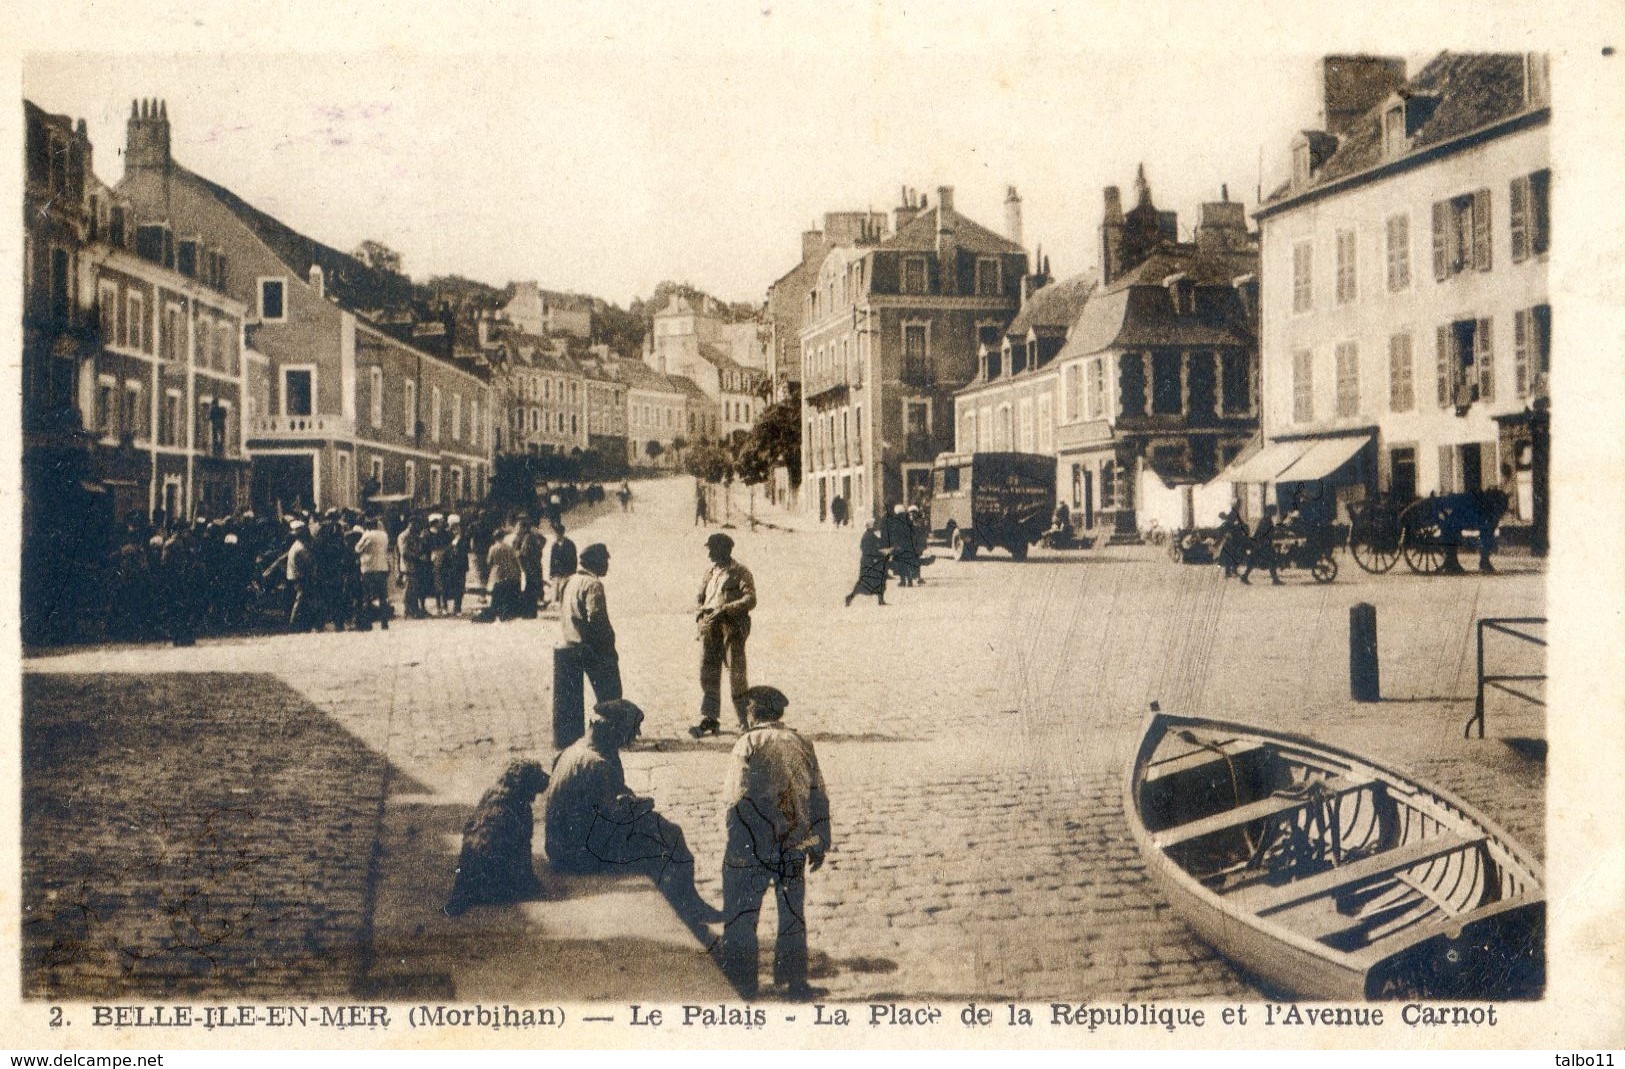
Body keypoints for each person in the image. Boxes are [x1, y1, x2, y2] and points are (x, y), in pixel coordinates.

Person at [543, 699, 715, 925]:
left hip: (562, 846)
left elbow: (608, 798)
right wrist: (641, 806)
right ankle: (688, 912)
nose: (636, 736)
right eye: (632, 730)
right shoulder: (598, 764)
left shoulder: (575, 750)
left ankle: (688, 908)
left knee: (657, 828)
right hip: (577, 855)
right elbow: (614, 817)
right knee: (669, 837)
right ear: (615, 730)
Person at [719, 686, 831, 1001]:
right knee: (792, 911)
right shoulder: (801, 742)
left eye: (748, 708)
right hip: (793, 843)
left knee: (742, 913)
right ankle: (795, 983)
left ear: (754, 712)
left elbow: (735, 799)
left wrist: (734, 846)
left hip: (753, 843)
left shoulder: (747, 743)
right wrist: (821, 839)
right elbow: (818, 792)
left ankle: (742, 985)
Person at [689, 533, 757, 738]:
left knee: (736, 674)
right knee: (707, 673)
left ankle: (745, 721)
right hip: (709, 627)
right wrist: (701, 615)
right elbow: (700, 598)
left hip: (731, 627)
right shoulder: (709, 573)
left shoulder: (740, 572)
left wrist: (726, 609)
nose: (709, 552)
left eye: (712, 549)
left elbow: (751, 599)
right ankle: (709, 717)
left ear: (725, 550)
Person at [561, 542, 623, 702]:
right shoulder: (593, 585)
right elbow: (596, 619)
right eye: (604, 561)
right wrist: (607, 650)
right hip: (594, 651)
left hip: (572, 647)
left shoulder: (570, 581)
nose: (607, 565)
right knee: (611, 698)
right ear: (596, 562)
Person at [474, 517, 524, 622]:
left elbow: (489, 561)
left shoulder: (493, 548)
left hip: (497, 574)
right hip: (509, 572)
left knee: (497, 595)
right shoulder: (509, 547)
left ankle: (497, 612)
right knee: (506, 594)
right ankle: (506, 613)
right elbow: (514, 559)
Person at [355, 516, 392, 630]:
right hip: (382, 566)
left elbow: (357, 548)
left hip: (369, 567)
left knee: (367, 596)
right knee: (383, 597)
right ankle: (384, 622)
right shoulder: (384, 535)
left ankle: (367, 623)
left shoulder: (367, 535)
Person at [844, 518, 890, 607]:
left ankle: (880, 599)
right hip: (870, 562)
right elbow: (868, 550)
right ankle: (850, 597)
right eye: (875, 525)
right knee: (872, 581)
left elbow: (878, 544)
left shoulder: (870, 535)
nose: (876, 526)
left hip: (870, 561)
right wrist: (881, 553)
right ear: (871, 526)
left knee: (875, 580)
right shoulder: (868, 536)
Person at [1240, 505, 1282, 585]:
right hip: (1262, 545)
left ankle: (1244, 576)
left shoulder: (1266, 519)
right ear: (1270, 511)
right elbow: (1265, 533)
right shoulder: (1266, 520)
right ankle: (1275, 579)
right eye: (1274, 510)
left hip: (1260, 544)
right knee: (1270, 560)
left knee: (1255, 561)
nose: (1275, 512)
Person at [515, 514, 546, 618]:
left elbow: (523, 552)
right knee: (532, 586)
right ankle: (531, 609)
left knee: (530, 587)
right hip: (532, 565)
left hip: (529, 565)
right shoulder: (526, 536)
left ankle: (529, 611)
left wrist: (517, 554)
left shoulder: (528, 536)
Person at [549, 522, 578, 605]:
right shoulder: (554, 545)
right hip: (557, 574)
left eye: (555, 533)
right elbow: (552, 561)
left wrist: (571, 573)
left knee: (565, 593)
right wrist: (551, 574)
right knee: (555, 594)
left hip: (566, 573)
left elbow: (573, 560)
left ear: (560, 533)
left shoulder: (569, 544)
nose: (554, 535)